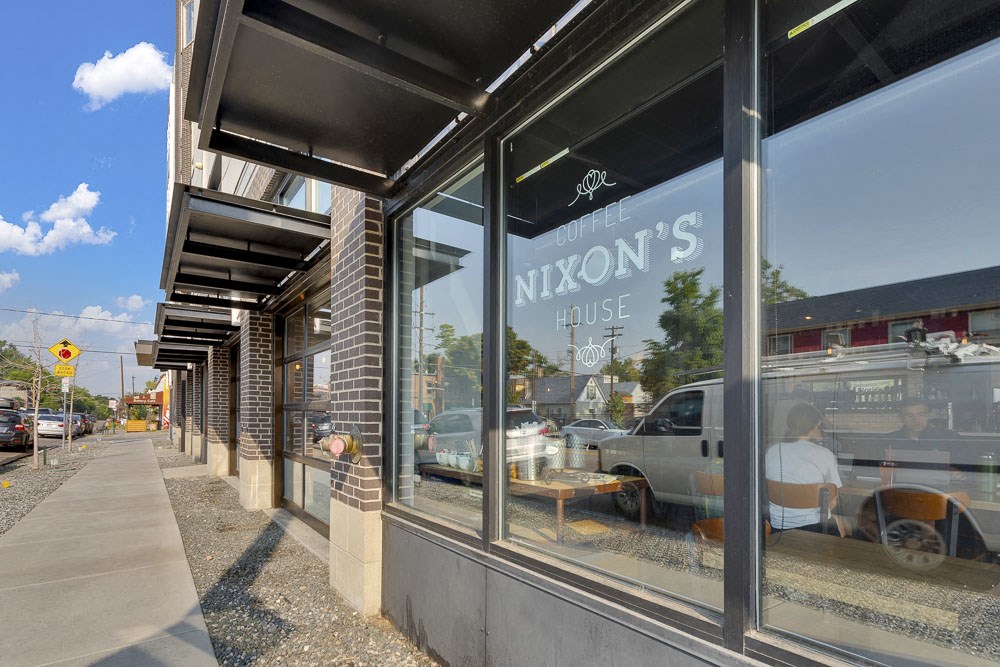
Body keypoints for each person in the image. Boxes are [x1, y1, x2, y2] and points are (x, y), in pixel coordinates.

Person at [765, 402, 844, 533]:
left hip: (778, 527)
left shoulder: (773, 451)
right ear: (814, 427)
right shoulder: (825, 454)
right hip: (816, 528)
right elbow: (834, 501)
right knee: (845, 525)